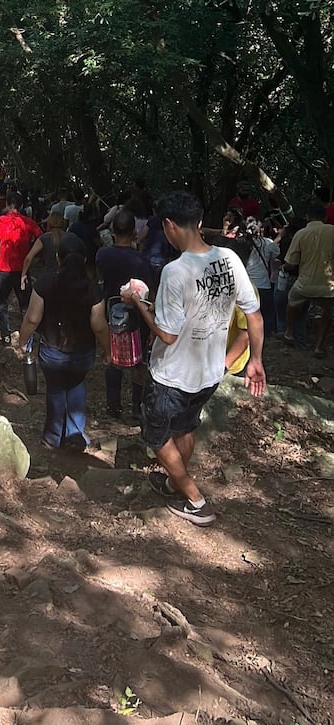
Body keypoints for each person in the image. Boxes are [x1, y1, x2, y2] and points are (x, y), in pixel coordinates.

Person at [123, 191, 265, 526]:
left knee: (156, 436)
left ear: (170, 225)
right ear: (199, 223)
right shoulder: (229, 260)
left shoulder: (176, 270)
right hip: (209, 371)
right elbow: (254, 316)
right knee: (185, 427)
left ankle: (195, 500)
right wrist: (255, 359)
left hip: (173, 373)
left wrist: (138, 302)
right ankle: (173, 483)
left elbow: (168, 335)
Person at [17, 238, 109, 449]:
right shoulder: (93, 289)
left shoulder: (45, 283)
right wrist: (108, 351)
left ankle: (52, 437)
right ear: (85, 260)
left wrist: (23, 342)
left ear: (58, 259)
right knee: (77, 385)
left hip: (52, 350)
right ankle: (75, 434)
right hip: (83, 352)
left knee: (56, 390)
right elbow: (99, 326)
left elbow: (32, 318)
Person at [95, 208, 153, 420]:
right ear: (134, 232)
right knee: (139, 362)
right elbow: (149, 290)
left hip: (111, 312)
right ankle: (136, 407)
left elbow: (100, 276)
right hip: (138, 315)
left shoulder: (103, 255)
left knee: (112, 358)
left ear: (112, 230)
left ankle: (114, 405)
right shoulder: (141, 261)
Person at [0, 192, 41, 344]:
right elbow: (41, 239)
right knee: (25, 304)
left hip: (3, 269)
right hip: (23, 269)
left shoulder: (0, 221)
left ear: (7, 204)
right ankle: (28, 336)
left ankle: (5, 336)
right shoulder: (28, 222)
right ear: (21, 206)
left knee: (1, 303)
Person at [283, 202, 334, 358]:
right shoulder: (332, 231)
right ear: (324, 216)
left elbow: (290, 264)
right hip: (328, 286)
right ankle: (319, 347)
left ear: (307, 217)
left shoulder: (300, 234)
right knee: (326, 314)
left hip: (304, 284)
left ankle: (289, 332)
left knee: (291, 301)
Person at [244, 217, 280, 335]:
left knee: (248, 311)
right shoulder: (267, 243)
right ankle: (266, 332)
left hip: (246, 283)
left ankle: (248, 331)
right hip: (263, 283)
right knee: (266, 311)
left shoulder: (241, 243)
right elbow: (276, 254)